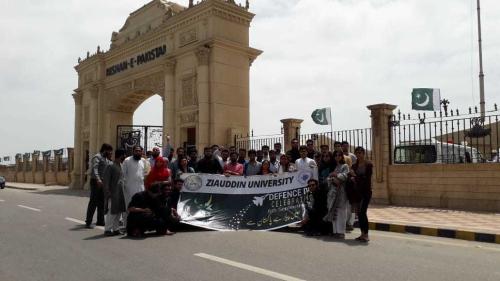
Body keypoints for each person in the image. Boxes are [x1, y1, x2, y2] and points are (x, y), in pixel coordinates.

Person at [85, 143, 113, 228]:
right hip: (96, 182)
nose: (111, 153)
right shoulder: (97, 157)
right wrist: (98, 179)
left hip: (103, 183)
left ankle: (100, 221)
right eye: (109, 151)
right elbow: (95, 168)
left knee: (102, 202)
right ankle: (88, 221)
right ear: (105, 150)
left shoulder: (106, 159)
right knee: (93, 201)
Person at [323, 151, 350, 239]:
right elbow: (329, 179)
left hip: (341, 192)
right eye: (336, 155)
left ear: (342, 157)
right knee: (334, 211)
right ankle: (335, 231)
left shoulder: (345, 166)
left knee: (341, 212)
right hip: (333, 192)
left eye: (339, 155)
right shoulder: (335, 167)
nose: (337, 157)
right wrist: (332, 178)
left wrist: (335, 175)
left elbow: (345, 176)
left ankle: (341, 232)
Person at [351, 147, 373, 242]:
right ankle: (362, 234)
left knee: (363, 212)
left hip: (366, 192)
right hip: (357, 192)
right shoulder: (354, 165)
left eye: (360, 152)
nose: (359, 154)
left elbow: (366, 179)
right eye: (357, 153)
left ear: (364, 153)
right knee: (359, 214)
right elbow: (351, 176)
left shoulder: (368, 165)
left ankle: (366, 234)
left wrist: (355, 176)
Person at [102, 148, 127, 236]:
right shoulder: (110, 165)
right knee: (112, 211)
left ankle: (116, 229)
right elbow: (106, 180)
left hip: (120, 192)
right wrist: (107, 191)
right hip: (113, 192)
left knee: (119, 211)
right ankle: (107, 229)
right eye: (124, 155)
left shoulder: (120, 165)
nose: (125, 156)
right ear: (121, 155)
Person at [122, 145, 148, 226]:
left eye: (139, 151)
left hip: (140, 188)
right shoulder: (127, 160)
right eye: (136, 151)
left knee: (140, 206)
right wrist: (124, 186)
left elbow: (145, 173)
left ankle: (138, 225)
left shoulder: (143, 161)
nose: (138, 152)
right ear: (133, 151)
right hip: (129, 188)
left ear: (142, 152)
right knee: (129, 206)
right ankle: (126, 225)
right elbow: (123, 175)